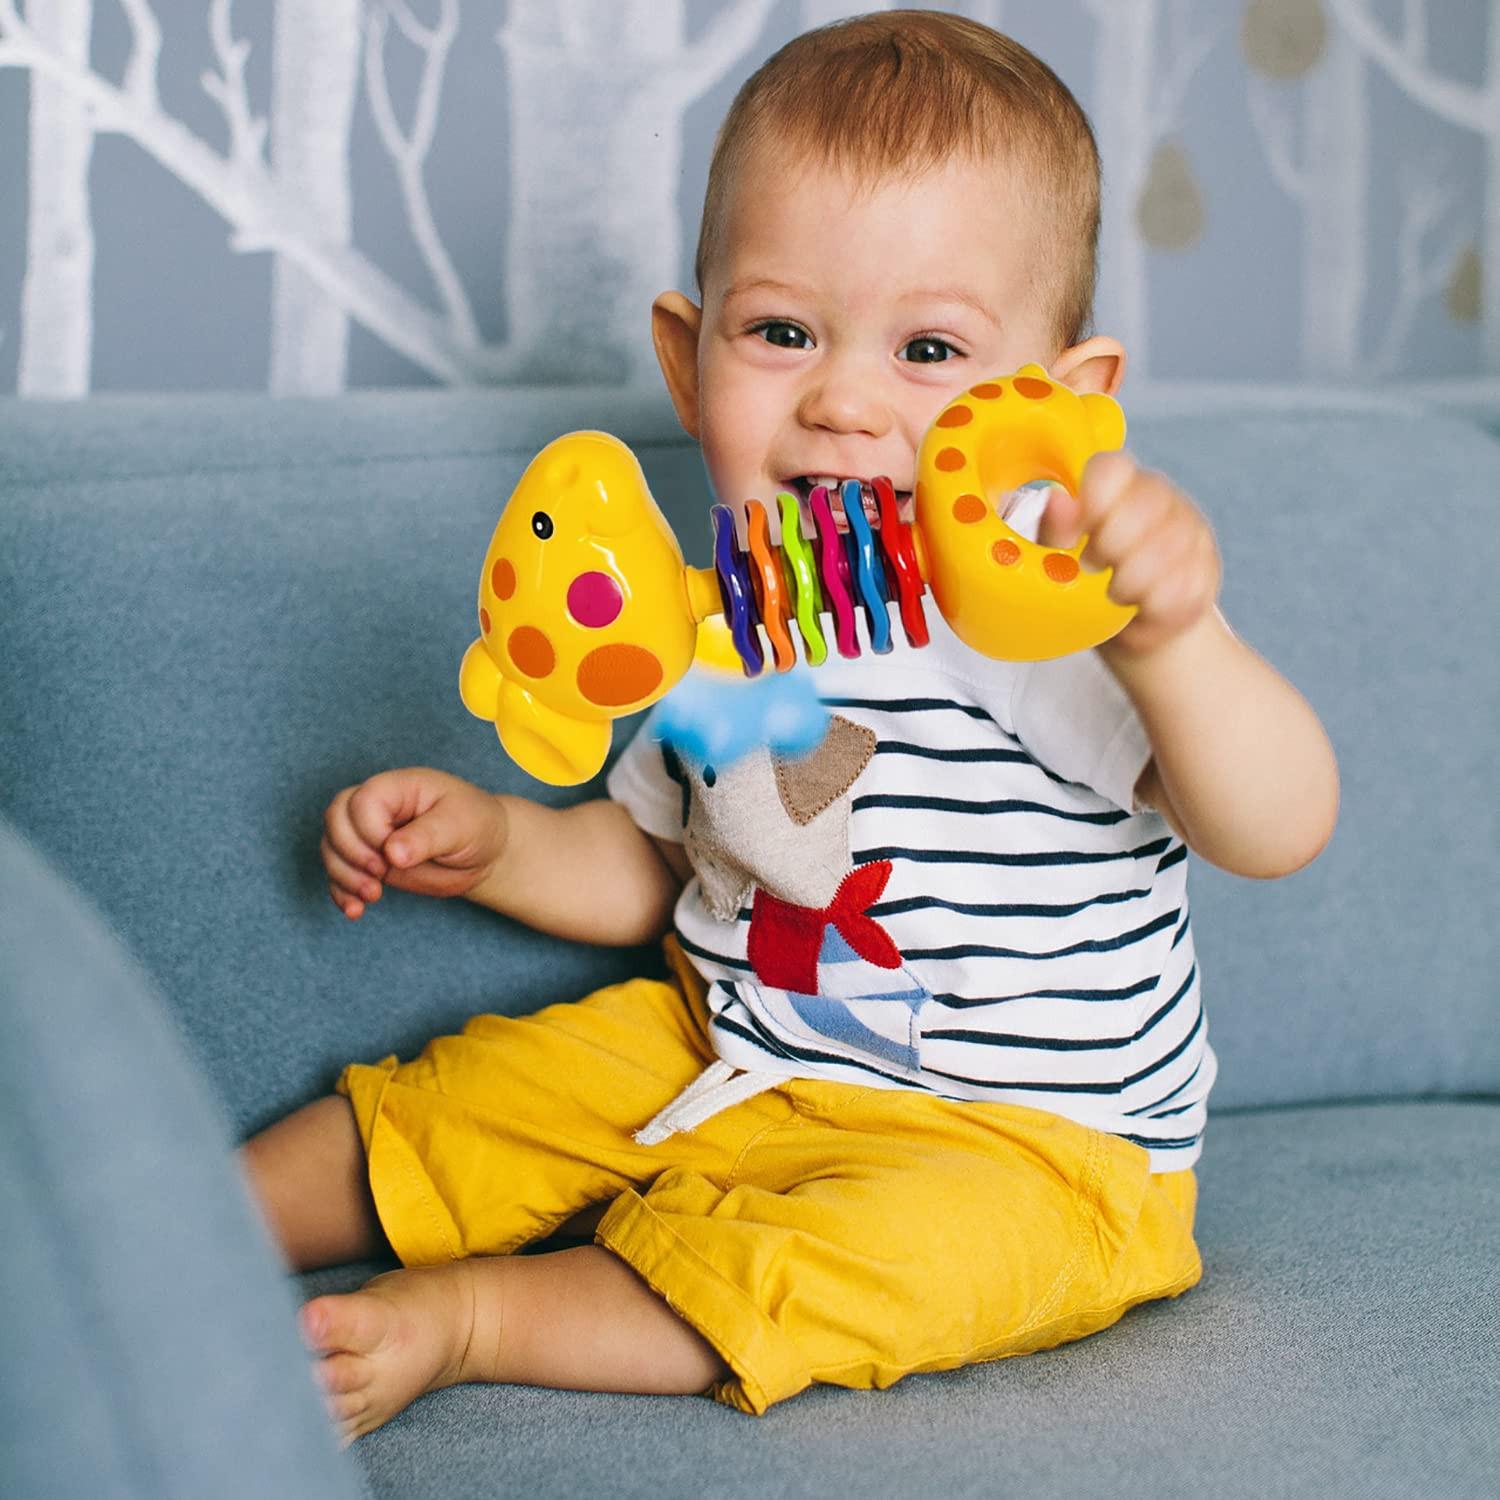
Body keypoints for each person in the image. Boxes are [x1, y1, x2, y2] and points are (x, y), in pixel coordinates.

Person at [242, 11, 1339, 1444]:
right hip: (730, 1049)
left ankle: (477, 1317)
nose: (841, 402)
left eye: (930, 348)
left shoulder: (1067, 618)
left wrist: (1176, 641)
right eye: (782, 333)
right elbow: (652, 866)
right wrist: (497, 842)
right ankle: (161, 1232)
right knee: (487, 1087)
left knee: (858, 1267)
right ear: (689, 363)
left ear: (1060, 408)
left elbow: (1281, 822)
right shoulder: (710, 616)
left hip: (1033, 1153)